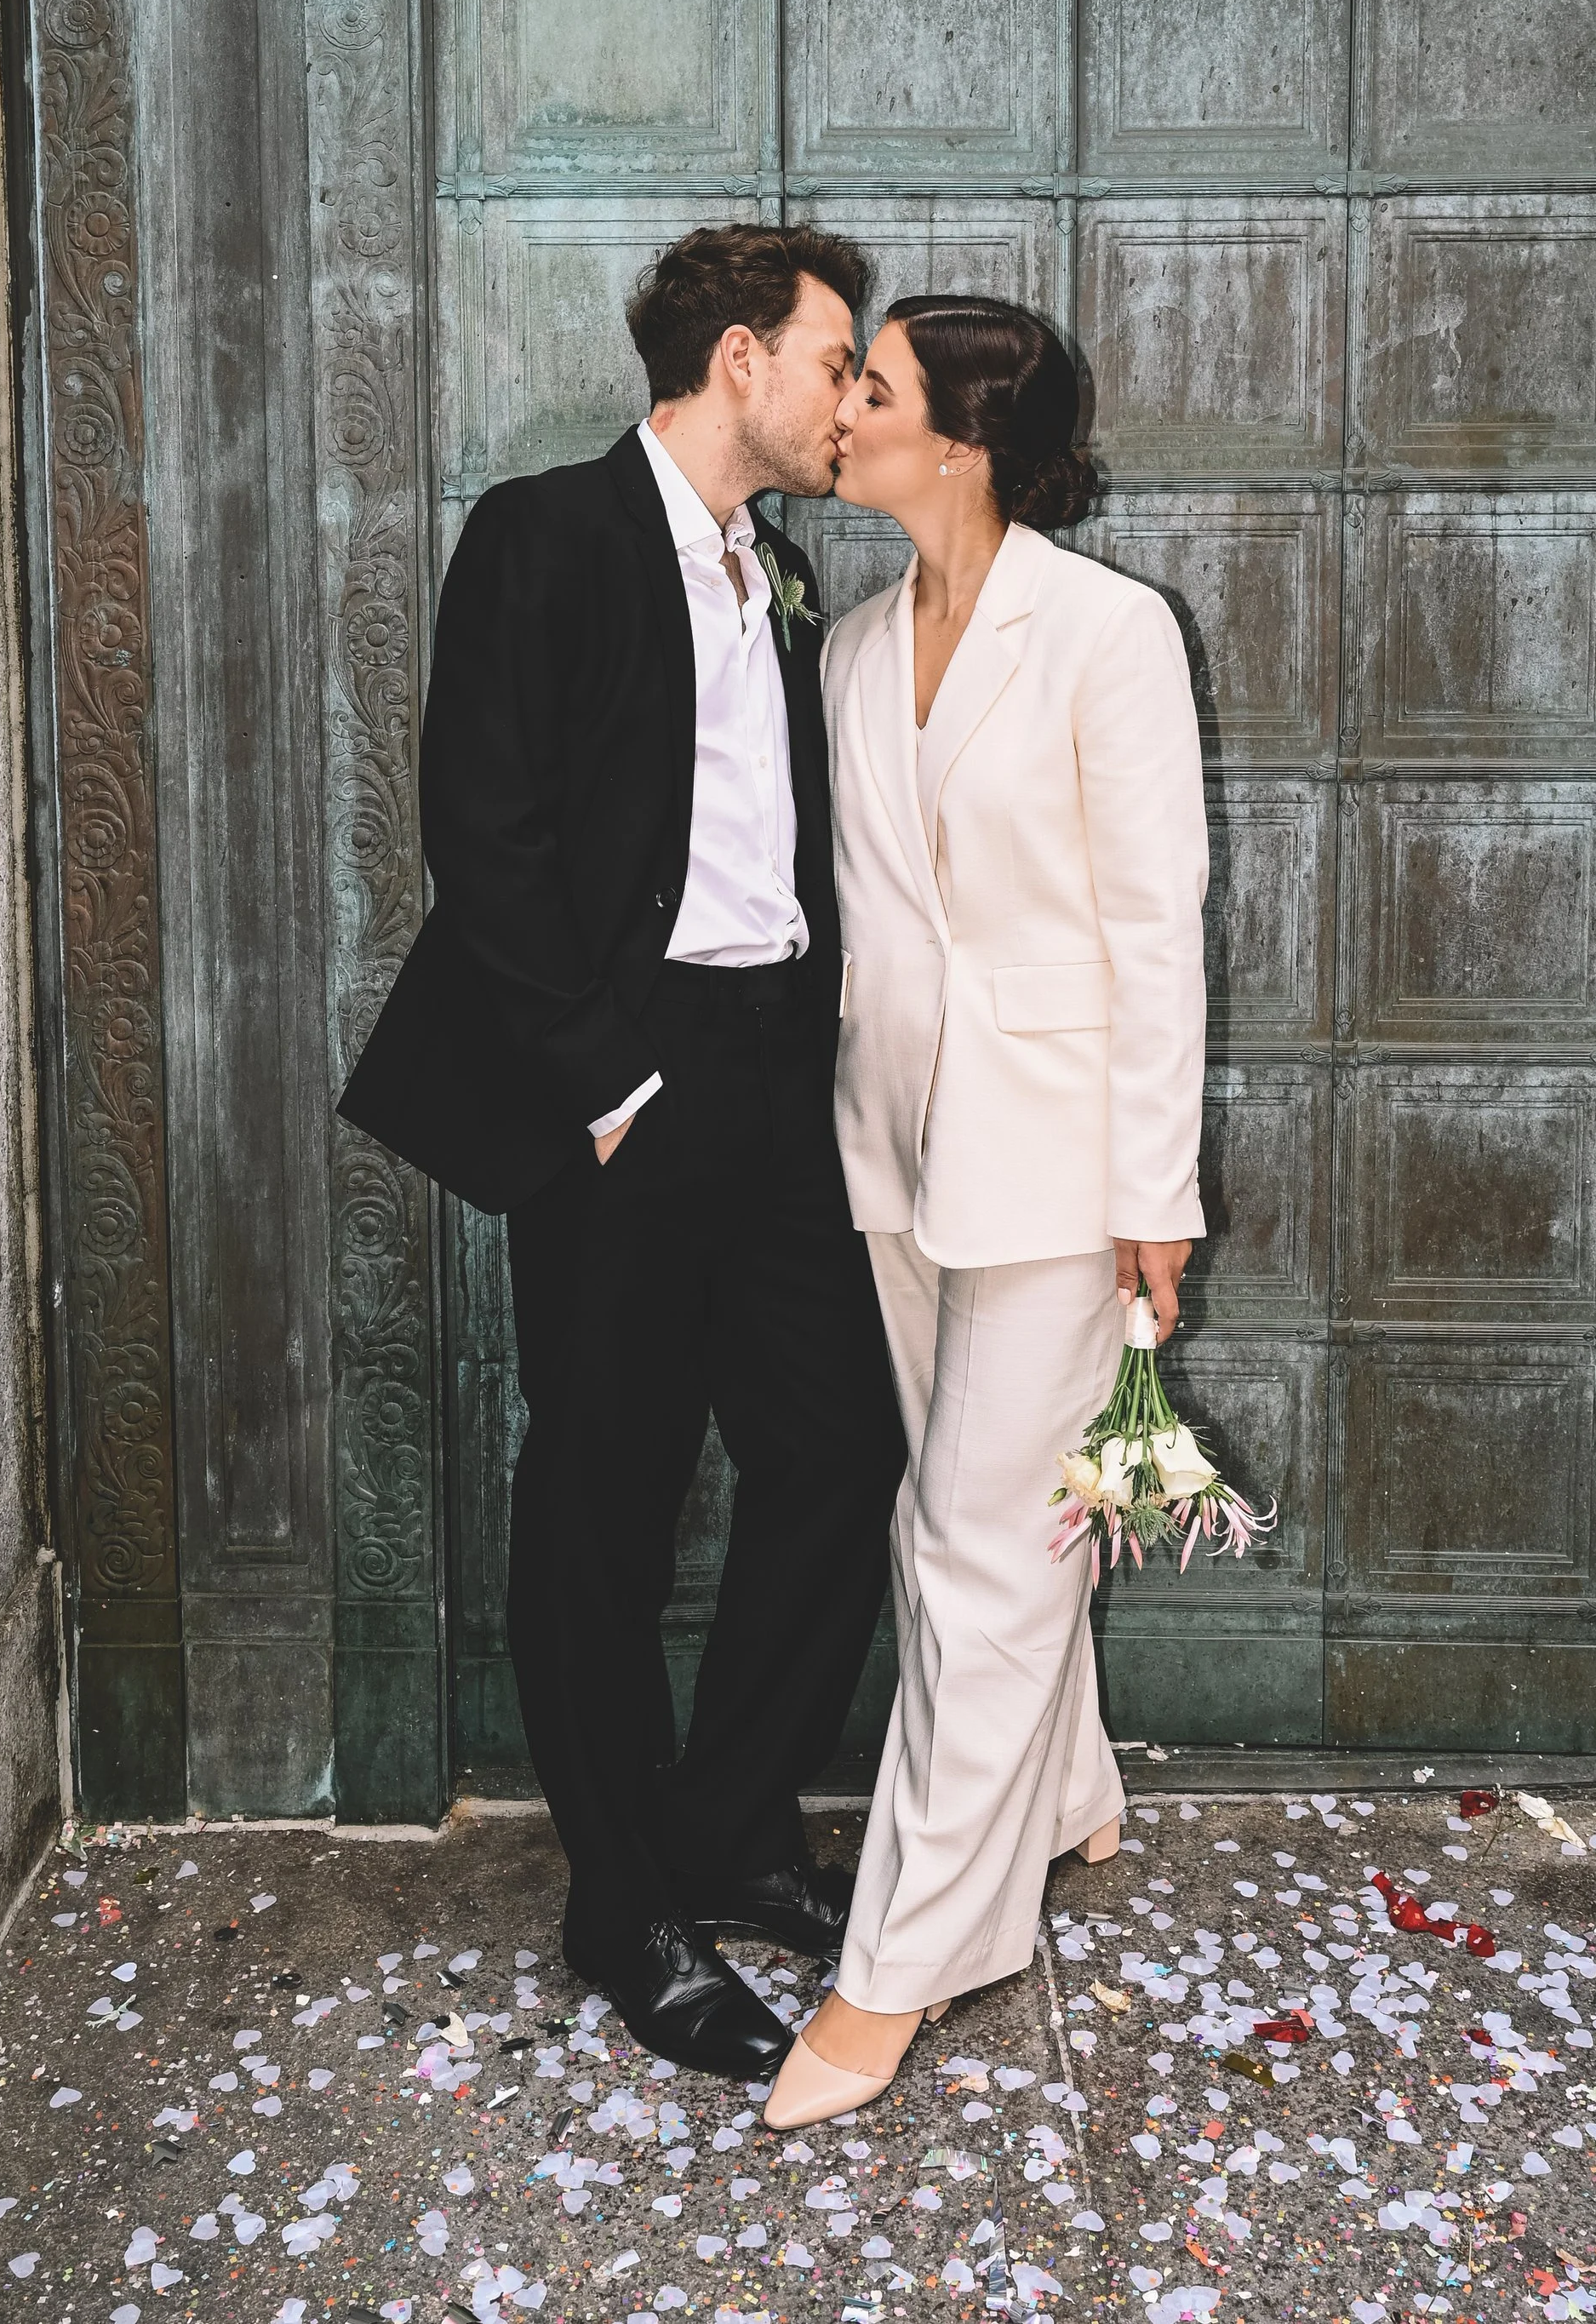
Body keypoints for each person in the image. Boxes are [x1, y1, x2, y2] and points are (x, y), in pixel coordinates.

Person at [341, 224, 906, 2080]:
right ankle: (618, 1900)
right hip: (625, 1077)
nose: (851, 398)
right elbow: (480, 831)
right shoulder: (546, 537)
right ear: (736, 362)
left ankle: (724, 1826)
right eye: (833, 360)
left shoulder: (787, 572)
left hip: (766, 1074)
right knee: (601, 1487)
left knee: (836, 1447)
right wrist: (605, 1082)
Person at [764, 293, 1210, 2131]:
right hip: (897, 1146)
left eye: (867, 390)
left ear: (958, 438)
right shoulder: (855, 644)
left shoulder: (1108, 635)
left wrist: (1150, 1194)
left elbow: (1150, 926)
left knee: (965, 1542)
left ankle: (904, 1965)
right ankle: (1068, 1792)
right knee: (985, 1520)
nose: (839, 412)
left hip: (1054, 1162)